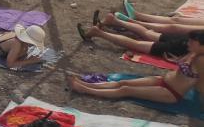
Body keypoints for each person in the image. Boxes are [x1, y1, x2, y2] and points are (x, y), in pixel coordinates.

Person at [69, 30, 204, 105]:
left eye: (193, 41)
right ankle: (86, 85)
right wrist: (178, 62)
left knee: (126, 90)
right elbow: (185, 69)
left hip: (171, 93)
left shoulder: (201, 60)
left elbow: (200, 85)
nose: (189, 42)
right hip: (163, 80)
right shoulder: (193, 52)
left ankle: (85, 89)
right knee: (123, 82)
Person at [79, 13, 193, 60]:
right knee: (137, 44)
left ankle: (115, 20)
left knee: (148, 33)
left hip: (187, 40)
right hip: (181, 49)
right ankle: (99, 33)